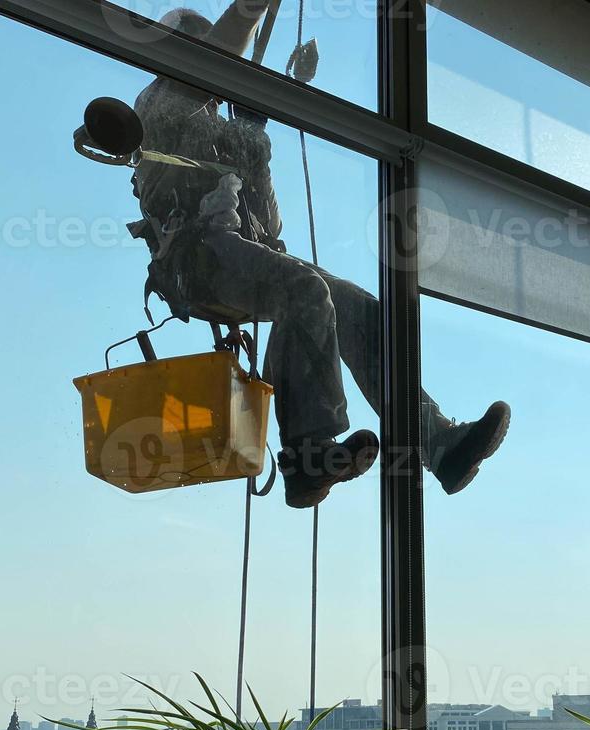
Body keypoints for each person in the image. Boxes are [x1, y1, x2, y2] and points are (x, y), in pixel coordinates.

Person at [126, 1, 510, 508]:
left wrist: (257, 131)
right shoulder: (158, 103)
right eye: (199, 39)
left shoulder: (216, 122)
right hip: (196, 261)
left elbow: (270, 222)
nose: (209, 46)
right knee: (301, 289)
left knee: (356, 306)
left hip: (237, 251)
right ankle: (307, 454)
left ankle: (438, 443)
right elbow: (216, 51)